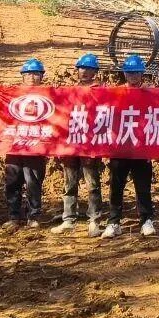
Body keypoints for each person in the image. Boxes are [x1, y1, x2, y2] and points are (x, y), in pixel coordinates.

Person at [101, 55, 156, 240]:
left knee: (143, 186)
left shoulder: (149, 93)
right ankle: (114, 222)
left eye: (137, 72)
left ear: (142, 74)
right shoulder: (116, 93)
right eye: (130, 73)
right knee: (116, 186)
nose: (133, 76)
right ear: (125, 74)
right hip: (120, 146)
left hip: (141, 147)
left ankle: (146, 220)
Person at [52, 52, 105, 236]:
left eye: (89, 69)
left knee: (92, 184)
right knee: (69, 183)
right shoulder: (70, 91)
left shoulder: (101, 90)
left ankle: (94, 220)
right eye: (82, 68)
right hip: (71, 143)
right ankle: (68, 218)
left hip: (89, 145)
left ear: (95, 72)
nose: (85, 72)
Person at [2, 58, 49, 232]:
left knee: (33, 182)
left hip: (36, 147)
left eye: (36, 74)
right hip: (15, 146)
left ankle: (33, 216)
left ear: (41, 76)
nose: (32, 77)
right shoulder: (12, 94)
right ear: (22, 76)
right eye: (28, 74)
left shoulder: (49, 95)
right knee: (12, 181)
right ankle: (14, 216)